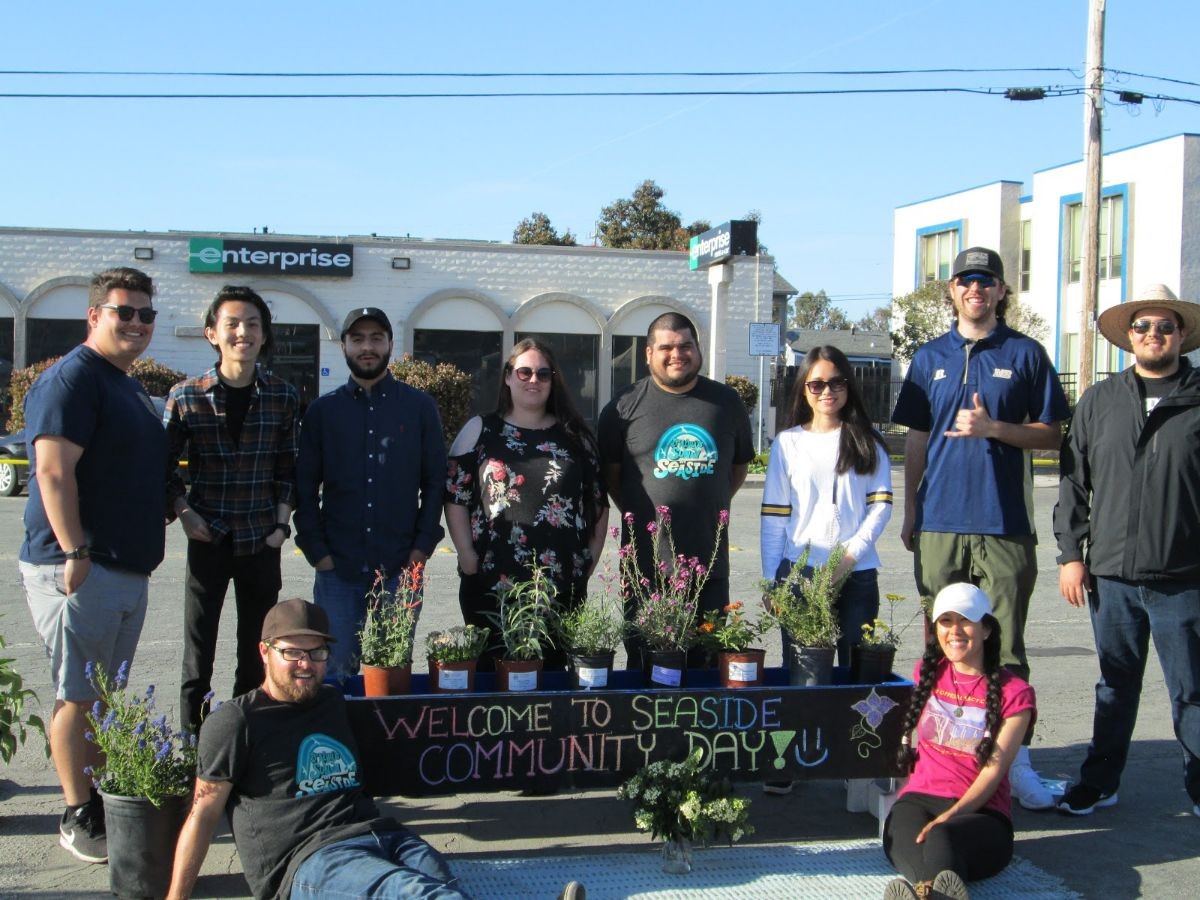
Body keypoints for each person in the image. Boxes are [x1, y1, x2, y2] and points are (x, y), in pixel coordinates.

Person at [891, 247, 1068, 811]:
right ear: (953, 289)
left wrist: (995, 427)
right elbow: (917, 438)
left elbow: (1052, 435)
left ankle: (1014, 763)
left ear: (999, 292)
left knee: (1005, 645)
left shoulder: (1026, 353)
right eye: (966, 280)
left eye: (986, 281)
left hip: (1003, 522)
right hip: (940, 520)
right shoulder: (928, 358)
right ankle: (939, 757)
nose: (976, 290)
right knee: (941, 645)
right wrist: (912, 510)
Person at [165, 598, 471, 899]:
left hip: (386, 836)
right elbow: (203, 813)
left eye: (317, 652)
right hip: (312, 856)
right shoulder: (236, 721)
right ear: (264, 652)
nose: (306, 664)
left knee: (447, 889)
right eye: (292, 652)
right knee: (417, 895)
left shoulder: (331, 701)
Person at [19, 267, 167, 864]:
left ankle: (103, 798)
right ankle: (77, 811)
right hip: (82, 567)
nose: (135, 323)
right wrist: (74, 550)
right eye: (122, 311)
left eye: (145, 314)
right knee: (77, 696)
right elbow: (53, 471)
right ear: (94, 316)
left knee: (104, 696)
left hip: (124, 568)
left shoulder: (124, 384)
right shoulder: (71, 380)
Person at [1053, 284, 1200, 819]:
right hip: (1110, 576)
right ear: (1128, 337)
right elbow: (1074, 482)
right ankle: (1100, 781)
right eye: (1142, 327)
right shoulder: (1101, 400)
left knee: (1192, 691)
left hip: (1184, 578)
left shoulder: (1198, 396)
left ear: (1181, 335)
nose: (1153, 335)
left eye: (1164, 326)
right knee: (1114, 687)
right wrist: (1072, 554)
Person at [165, 286, 299, 733]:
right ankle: (193, 743)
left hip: (262, 538)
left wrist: (281, 526)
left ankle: (244, 737)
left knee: (254, 647)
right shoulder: (186, 395)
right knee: (198, 649)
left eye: (253, 324)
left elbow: (288, 466)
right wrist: (184, 513)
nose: (244, 332)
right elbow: (162, 468)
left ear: (264, 336)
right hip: (209, 535)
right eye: (233, 324)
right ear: (212, 334)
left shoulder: (282, 395)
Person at [294, 308, 446, 678]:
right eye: (358, 339)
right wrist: (318, 553)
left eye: (376, 338)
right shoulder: (321, 412)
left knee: (390, 679)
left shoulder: (420, 408)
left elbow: (436, 481)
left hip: (400, 569)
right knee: (334, 677)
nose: (367, 347)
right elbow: (303, 486)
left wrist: (420, 550)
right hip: (337, 572)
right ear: (343, 345)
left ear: (391, 344)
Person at [597, 311, 754, 668]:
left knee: (706, 661)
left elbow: (738, 466)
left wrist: (712, 503)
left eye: (686, 345)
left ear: (698, 350)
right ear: (648, 353)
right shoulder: (622, 408)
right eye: (666, 347)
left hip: (709, 566)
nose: (677, 354)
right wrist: (645, 510)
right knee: (646, 662)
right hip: (646, 567)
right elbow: (612, 476)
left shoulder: (726, 403)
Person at [445, 338, 608, 670]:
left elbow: (597, 504)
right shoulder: (481, 430)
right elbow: (455, 497)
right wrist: (467, 556)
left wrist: (587, 564)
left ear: (553, 381)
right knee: (494, 678)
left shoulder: (575, 436)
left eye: (543, 374)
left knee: (552, 682)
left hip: (560, 585)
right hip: (490, 584)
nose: (534, 380)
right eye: (524, 372)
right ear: (507, 377)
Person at [882, 583, 1036, 900]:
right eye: (945, 621)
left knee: (940, 837)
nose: (955, 631)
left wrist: (950, 816)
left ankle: (926, 893)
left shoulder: (1015, 692)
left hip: (980, 813)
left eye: (965, 620)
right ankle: (935, 894)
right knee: (900, 831)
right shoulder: (927, 672)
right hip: (919, 800)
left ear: (986, 630)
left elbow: (993, 773)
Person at [761, 344, 893, 665]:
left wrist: (846, 559)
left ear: (848, 384)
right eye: (816, 384)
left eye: (836, 382)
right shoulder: (788, 443)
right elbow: (774, 517)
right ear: (804, 388)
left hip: (856, 574)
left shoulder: (867, 441)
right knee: (803, 674)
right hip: (798, 573)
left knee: (854, 676)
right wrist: (771, 581)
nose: (827, 392)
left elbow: (881, 507)